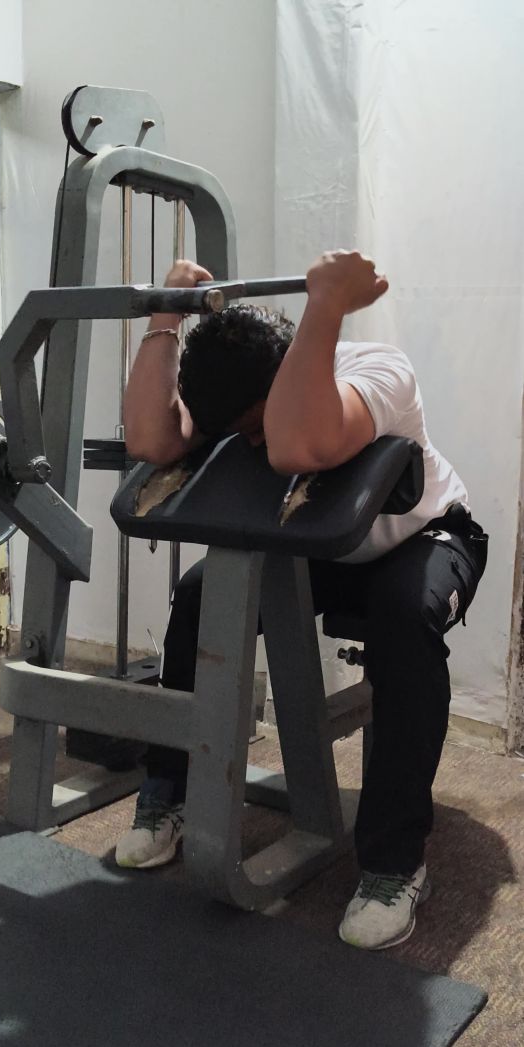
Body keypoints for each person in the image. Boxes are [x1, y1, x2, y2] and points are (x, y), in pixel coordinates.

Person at [116, 250, 487, 950]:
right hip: (321, 549)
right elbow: (150, 440)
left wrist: (326, 303)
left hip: (424, 538)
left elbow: (296, 446)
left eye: (254, 426)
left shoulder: (378, 370)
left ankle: (394, 862)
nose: (251, 442)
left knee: (405, 619)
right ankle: (170, 791)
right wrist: (165, 316)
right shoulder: (242, 399)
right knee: (199, 597)